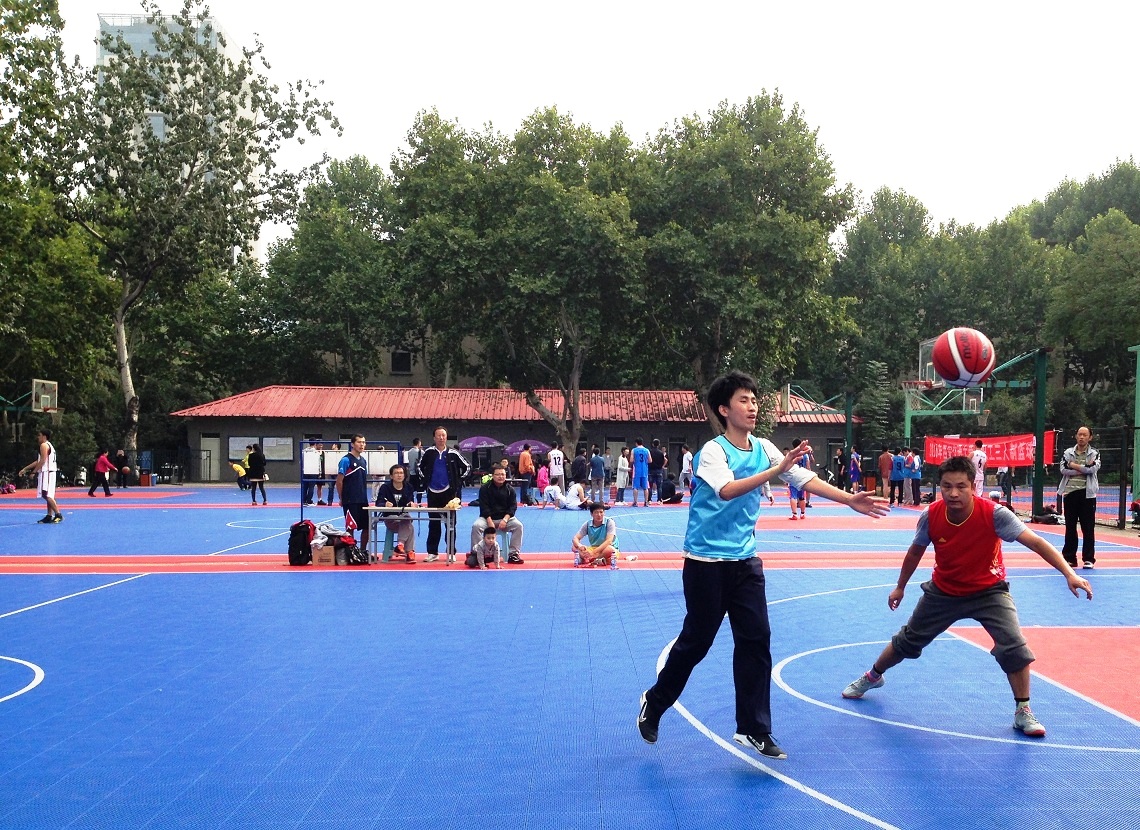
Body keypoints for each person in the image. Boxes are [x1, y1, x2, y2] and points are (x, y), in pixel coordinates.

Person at [637, 370, 889, 760]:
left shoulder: (764, 447)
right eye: (744, 400)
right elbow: (727, 491)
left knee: (756, 640)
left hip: (745, 561)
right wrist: (776, 470)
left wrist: (848, 499)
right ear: (724, 409)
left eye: (754, 399)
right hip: (706, 562)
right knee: (696, 643)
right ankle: (655, 701)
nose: (752, 406)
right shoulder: (714, 452)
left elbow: (802, 477)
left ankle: (754, 728)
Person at [840, 455, 1093, 738]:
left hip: (989, 591)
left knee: (1014, 647)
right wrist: (900, 586)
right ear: (939, 487)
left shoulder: (995, 515)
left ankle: (1023, 710)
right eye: (947, 486)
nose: (953, 493)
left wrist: (1068, 573)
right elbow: (915, 552)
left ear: (973, 486)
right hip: (944, 591)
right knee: (907, 641)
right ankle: (873, 676)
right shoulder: (931, 516)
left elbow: (1036, 542)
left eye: (961, 486)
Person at [416, 427, 470, 563]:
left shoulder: (453, 453)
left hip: (449, 494)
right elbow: (418, 467)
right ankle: (432, 552)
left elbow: (468, 467)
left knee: (450, 524)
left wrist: (459, 481)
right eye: (438, 435)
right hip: (433, 493)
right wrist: (426, 480)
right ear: (434, 438)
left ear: (446, 437)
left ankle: (451, 552)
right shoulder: (428, 453)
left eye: (443, 435)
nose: (441, 438)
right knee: (433, 523)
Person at [1058, 426, 1100, 569]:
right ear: (1076, 436)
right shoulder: (1068, 453)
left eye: (1085, 435)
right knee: (1070, 527)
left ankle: (1088, 559)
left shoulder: (1094, 453)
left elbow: (1092, 469)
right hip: (1070, 493)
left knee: (1088, 528)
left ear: (1090, 437)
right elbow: (1063, 469)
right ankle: (1070, 558)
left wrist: (1073, 465)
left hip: (1087, 494)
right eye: (1079, 434)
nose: (1081, 437)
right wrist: (1082, 469)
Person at [470, 465, 525, 564]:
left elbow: (512, 507)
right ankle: (477, 553)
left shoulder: (510, 490)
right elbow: (484, 507)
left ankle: (513, 554)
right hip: (487, 518)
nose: (501, 477)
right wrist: (489, 521)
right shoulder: (485, 489)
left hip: (505, 518)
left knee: (518, 526)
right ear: (492, 476)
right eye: (498, 474)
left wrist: (505, 520)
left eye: (503, 474)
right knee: (476, 526)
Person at [375, 463, 418, 563]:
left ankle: (400, 545)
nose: (399, 475)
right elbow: (378, 502)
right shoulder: (385, 487)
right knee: (409, 526)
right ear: (391, 476)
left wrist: (411, 504)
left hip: (404, 517)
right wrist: (384, 504)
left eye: (401, 473)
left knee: (407, 520)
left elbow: (410, 501)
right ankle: (409, 553)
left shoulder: (409, 487)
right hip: (390, 518)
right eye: (396, 473)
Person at [336, 434, 370, 552]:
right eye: (359, 442)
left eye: (363, 442)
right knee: (351, 527)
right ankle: (351, 552)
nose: (362, 445)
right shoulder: (346, 460)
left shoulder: (363, 461)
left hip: (363, 500)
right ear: (352, 444)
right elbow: (339, 481)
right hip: (350, 500)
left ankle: (362, 551)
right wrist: (341, 498)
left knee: (367, 526)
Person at [20, 429, 63, 523]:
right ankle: (49, 515)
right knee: (48, 495)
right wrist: (26, 468)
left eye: (39, 435)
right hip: (50, 472)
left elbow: (42, 461)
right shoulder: (49, 445)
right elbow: (39, 461)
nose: (38, 437)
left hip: (47, 472)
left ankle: (58, 514)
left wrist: (33, 472)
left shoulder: (43, 445)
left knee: (46, 494)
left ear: (44, 436)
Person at [572, 502, 619, 567]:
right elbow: (575, 538)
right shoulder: (588, 524)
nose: (599, 515)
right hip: (594, 548)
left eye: (601, 512)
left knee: (610, 550)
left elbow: (609, 541)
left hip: (606, 548)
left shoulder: (609, 522)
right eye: (596, 512)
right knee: (574, 547)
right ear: (591, 514)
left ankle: (589, 559)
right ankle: (597, 559)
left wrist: (594, 552)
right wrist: (580, 546)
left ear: (604, 513)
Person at [787, 438, 809, 520]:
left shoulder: (792, 454)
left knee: (793, 496)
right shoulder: (805, 455)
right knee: (801, 496)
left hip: (793, 477)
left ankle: (794, 514)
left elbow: (788, 466)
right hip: (802, 477)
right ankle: (802, 514)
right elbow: (808, 467)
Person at [631, 438, 650, 507]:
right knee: (645, 487)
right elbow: (650, 460)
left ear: (636, 443)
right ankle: (646, 502)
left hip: (637, 470)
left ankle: (635, 502)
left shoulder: (634, 450)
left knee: (635, 487)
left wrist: (636, 461)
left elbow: (631, 460)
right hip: (644, 470)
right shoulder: (646, 450)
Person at [302, 441, 323, 505]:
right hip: (313, 471)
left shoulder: (304, 451)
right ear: (315, 444)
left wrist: (303, 469)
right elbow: (318, 463)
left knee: (305, 487)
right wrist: (320, 472)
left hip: (305, 471)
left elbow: (302, 461)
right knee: (311, 487)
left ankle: (304, 501)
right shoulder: (316, 452)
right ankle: (309, 501)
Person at [405, 438, 425, 503]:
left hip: (411, 473)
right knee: (419, 490)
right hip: (418, 473)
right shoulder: (421, 452)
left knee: (411, 489)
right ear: (419, 443)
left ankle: (411, 502)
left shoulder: (409, 452)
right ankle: (419, 503)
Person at [648, 438, 666, 503]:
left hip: (651, 470)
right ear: (659, 445)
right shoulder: (661, 453)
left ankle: (649, 500)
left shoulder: (650, 452)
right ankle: (659, 500)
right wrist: (662, 466)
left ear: (653, 444)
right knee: (659, 486)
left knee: (650, 486)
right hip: (659, 470)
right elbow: (664, 460)